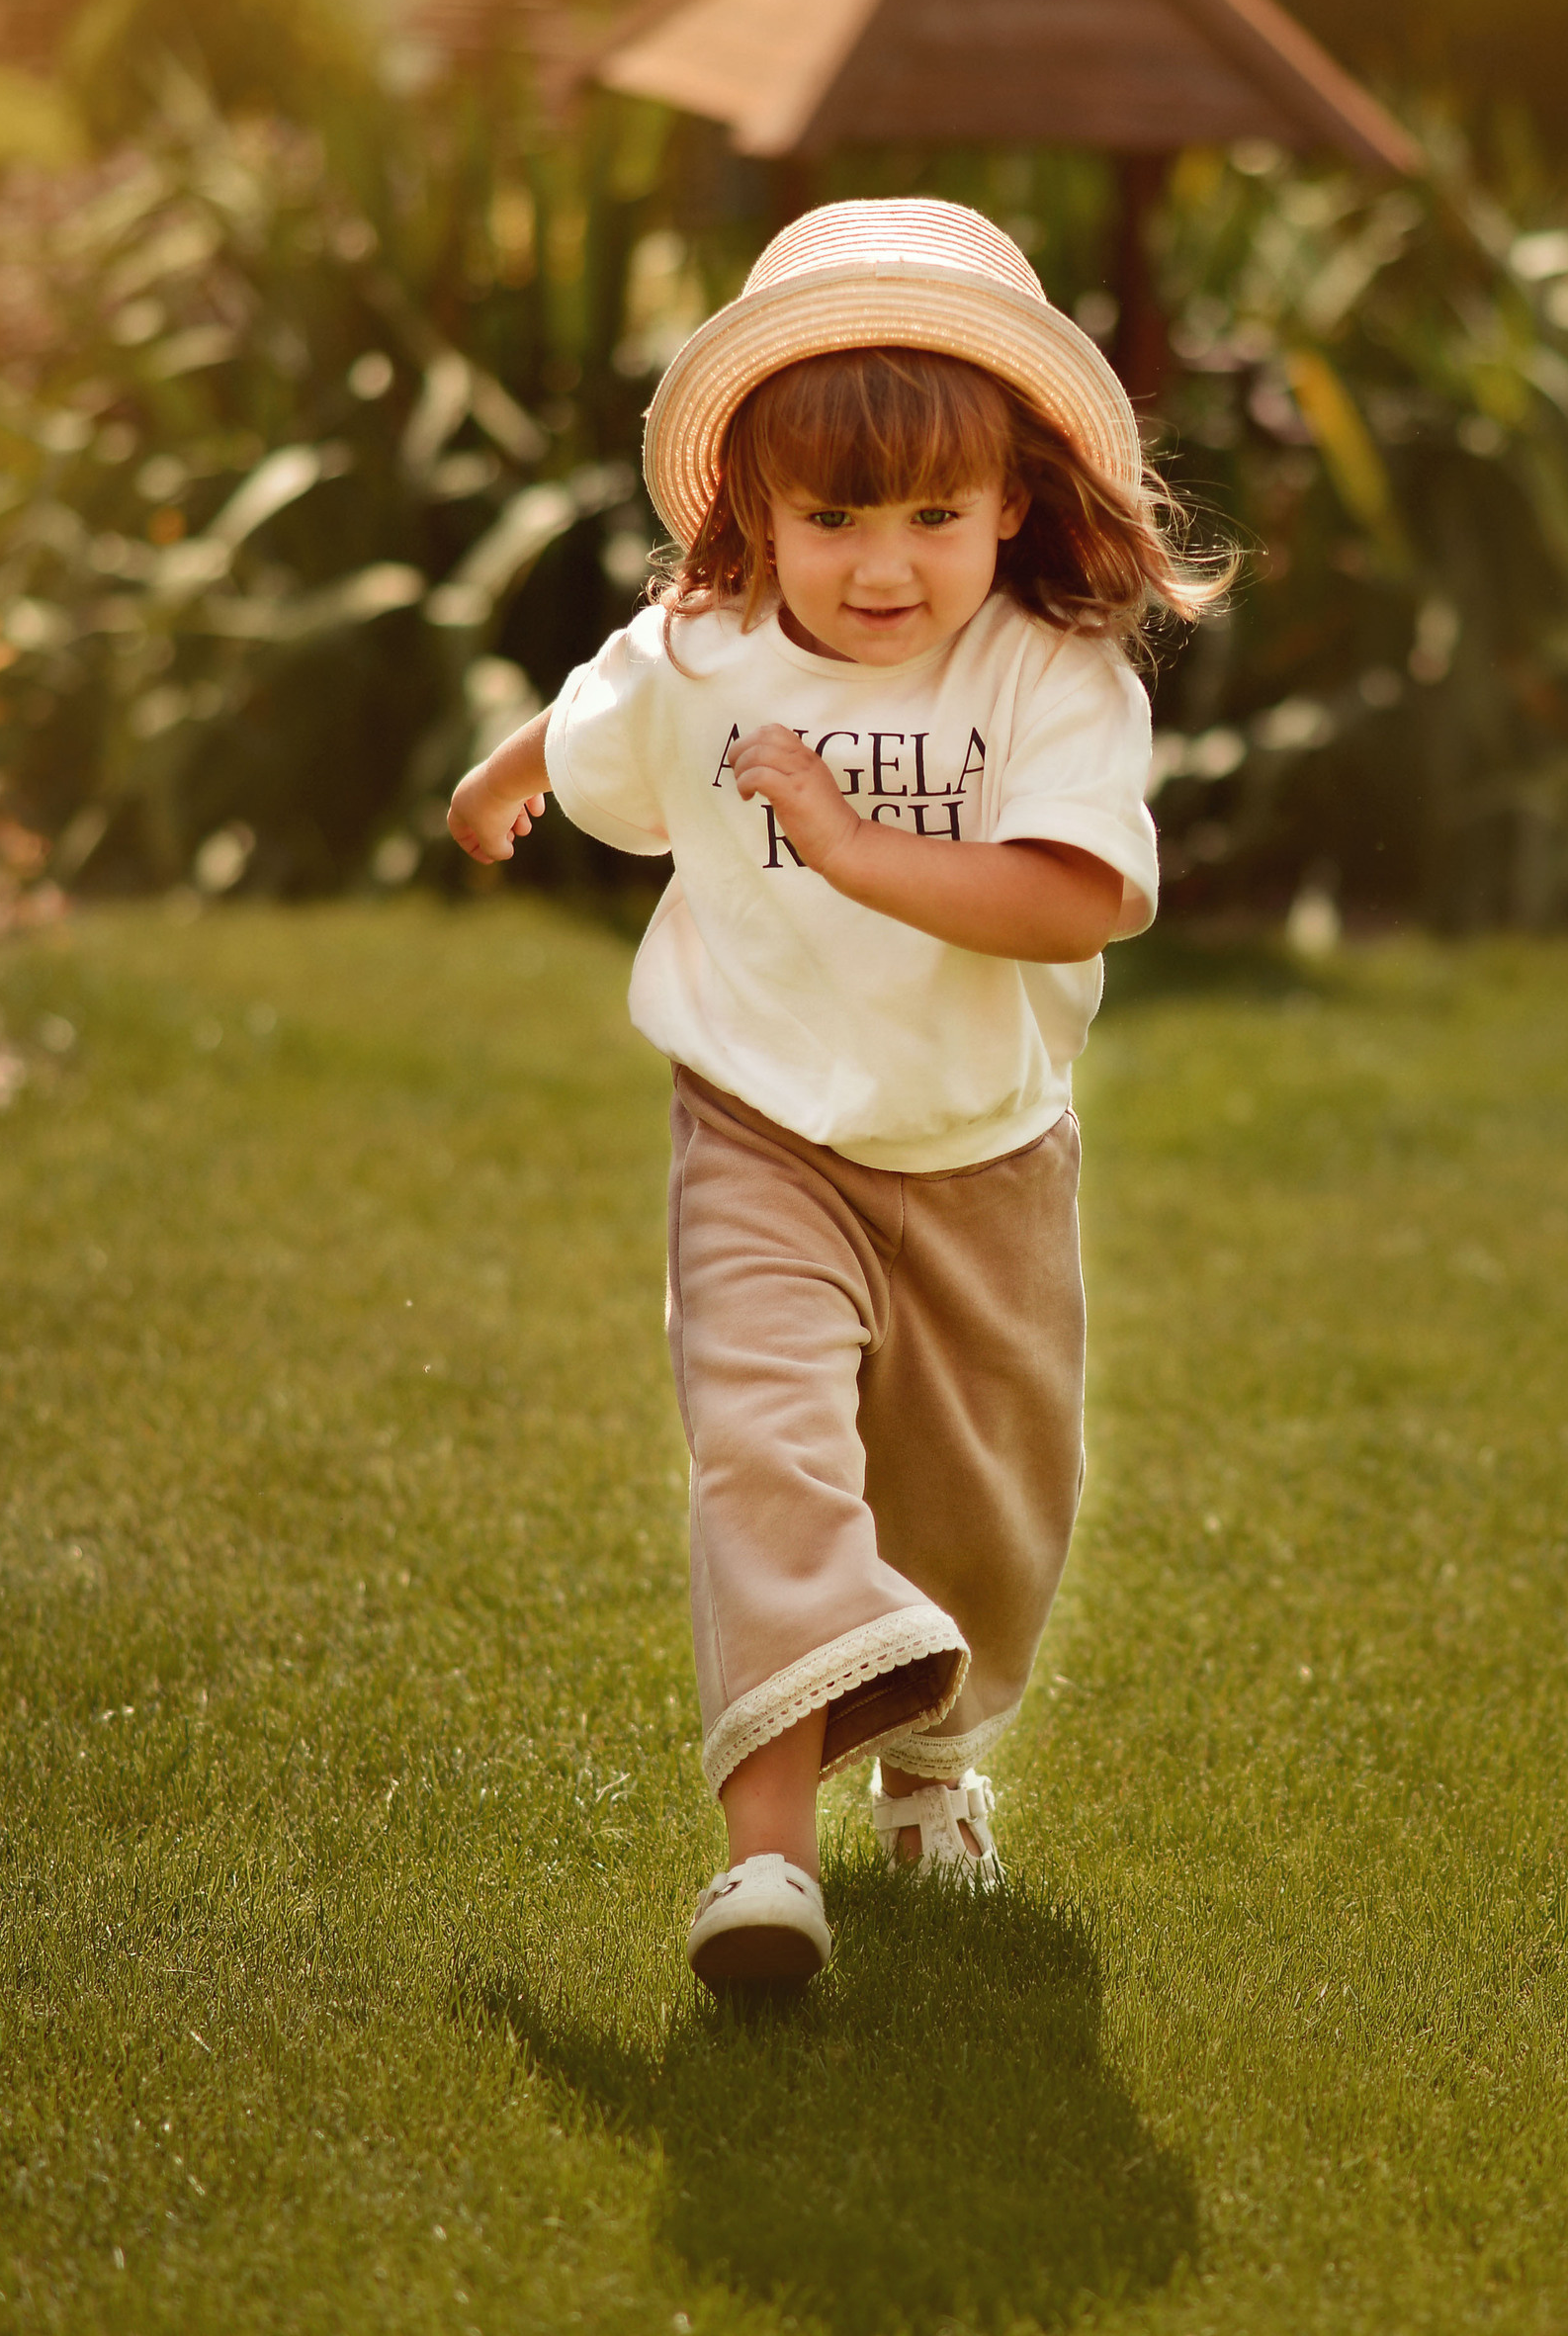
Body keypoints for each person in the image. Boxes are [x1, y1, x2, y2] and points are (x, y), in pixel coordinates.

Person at [446, 199, 1222, 1986]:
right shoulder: (712, 647)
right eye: (834, 518)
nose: (885, 566)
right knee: (766, 1456)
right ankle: (765, 1866)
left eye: (935, 516)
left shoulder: (1049, 674)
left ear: (1014, 500)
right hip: (760, 1133)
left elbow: (1075, 895)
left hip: (981, 1156)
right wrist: (504, 786)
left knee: (988, 1521)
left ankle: (937, 1763)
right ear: (757, 512)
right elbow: (598, 715)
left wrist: (858, 847)